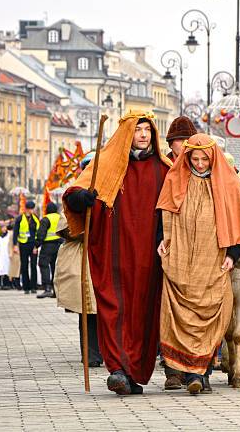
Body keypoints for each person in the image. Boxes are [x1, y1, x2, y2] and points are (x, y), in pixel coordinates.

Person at [63, 110, 171, 395]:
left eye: (148, 129)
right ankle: (117, 369)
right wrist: (80, 198)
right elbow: (75, 191)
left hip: (149, 253)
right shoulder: (106, 164)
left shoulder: (164, 168)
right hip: (114, 250)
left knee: (144, 311)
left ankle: (134, 371)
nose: (144, 135)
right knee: (114, 307)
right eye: (138, 130)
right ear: (127, 134)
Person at [156, 134, 240, 394]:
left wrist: (233, 254)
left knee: (211, 313)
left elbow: (238, 222)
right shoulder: (175, 178)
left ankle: (204, 373)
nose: (199, 164)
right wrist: (162, 240)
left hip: (214, 258)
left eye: (204, 159)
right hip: (182, 256)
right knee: (182, 312)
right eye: (194, 159)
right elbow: (164, 211)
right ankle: (188, 373)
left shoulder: (228, 182)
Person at [52, 213, 102, 366]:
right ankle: (91, 354)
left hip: (103, 259)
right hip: (83, 261)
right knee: (88, 311)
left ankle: (109, 353)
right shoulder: (73, 202)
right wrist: (87, 230)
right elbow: (67, 231)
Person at [36, 203, 62, 299]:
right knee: (55, 267)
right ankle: (56, 290)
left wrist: (36, 245)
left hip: (48, 246)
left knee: (44, 264)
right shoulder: (60, 217)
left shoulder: (46, 219)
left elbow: (41, 234)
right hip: (60, 245)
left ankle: (47, 289)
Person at [13, 201, 39, 294]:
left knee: (33, 266)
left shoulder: (36, 219)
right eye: (30, 209)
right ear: (27, 209)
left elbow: (38, 233)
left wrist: (36, 246)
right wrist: (15, 245)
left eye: (33, 208)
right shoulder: (19, 219)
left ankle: (33, 287)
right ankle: (26, 287)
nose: (32, 210)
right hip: (23, 244)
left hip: (33, 245)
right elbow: (15, 232)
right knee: (24, 266)